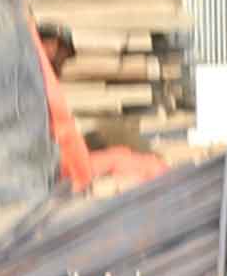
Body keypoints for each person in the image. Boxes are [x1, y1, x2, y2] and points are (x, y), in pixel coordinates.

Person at [32, 25, 166, 197]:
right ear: (51, 46)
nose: (62, 67)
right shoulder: (32, 82)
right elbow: (59, 136)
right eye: (62, 59)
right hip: (51, 170)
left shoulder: (28, 78)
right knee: (127, 160)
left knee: (123, 156)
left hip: (49, 165)